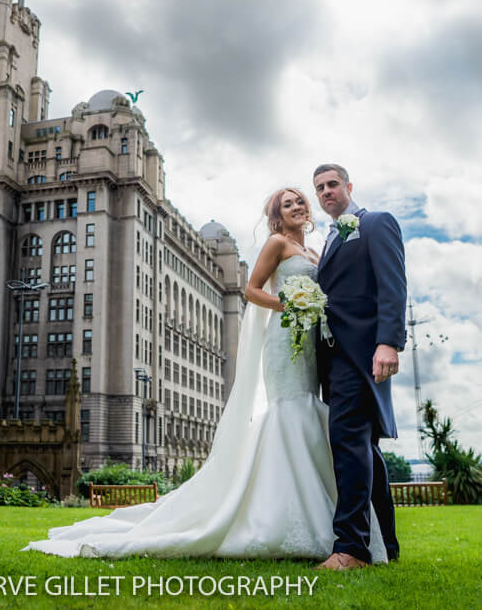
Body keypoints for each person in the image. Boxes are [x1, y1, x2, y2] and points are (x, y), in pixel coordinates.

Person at [23, 188, 386, 561]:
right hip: (284, 338)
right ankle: (279, 516)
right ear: (277, 215)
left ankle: (325, 519)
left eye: (299, 201)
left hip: (309, 342)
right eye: (286, 203)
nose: (296, 206)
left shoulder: (316, 251)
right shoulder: (276, 243)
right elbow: (250, 290)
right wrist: (289, 305)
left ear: (308, 210)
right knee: (289, 411)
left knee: (307, 409)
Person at [312, 163, 405, 571]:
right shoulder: (329, 239)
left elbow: (393, 284)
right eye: (320, 188)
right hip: (334, 359)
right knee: (365, 449)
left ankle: (351, 549)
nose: (327, 192)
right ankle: (387, 543)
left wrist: (389, 342)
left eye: (333, 184)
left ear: (349, 186)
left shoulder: (376, 223)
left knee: (349, 444)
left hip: (363, 354)